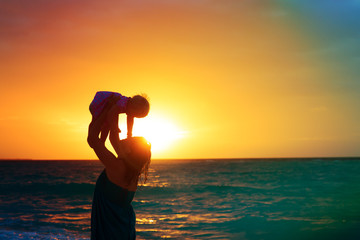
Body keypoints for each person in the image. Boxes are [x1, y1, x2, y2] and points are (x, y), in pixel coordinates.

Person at [87, 99, 151, 240]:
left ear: (130, 151)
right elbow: (113, 138)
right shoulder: (131, 170)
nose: (129, 137)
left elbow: (92, 139)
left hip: (111, 231)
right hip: (124, 227)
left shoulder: (117, 166)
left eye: (131, 139)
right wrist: (114, 114)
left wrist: (107, 109)